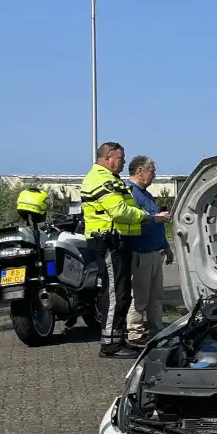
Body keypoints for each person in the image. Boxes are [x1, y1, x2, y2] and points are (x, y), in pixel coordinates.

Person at [80, 142, 169, 358]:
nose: (123, 163)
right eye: (120, 159)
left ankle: (118, 340)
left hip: (119, 241)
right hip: (109, 240)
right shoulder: (101, 179)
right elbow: (119, 210)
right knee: (114, 294)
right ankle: (110, 345)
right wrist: (148, 217)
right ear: (107, 158)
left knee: (121, 294)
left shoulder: (112, 179)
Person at [124, 155, 173, 347]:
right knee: (140, 295)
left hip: (155, 252)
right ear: (139, 171)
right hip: (141, 252)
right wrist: (156, 218)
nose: (154, 175)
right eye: (152, 171)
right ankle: (135, 331)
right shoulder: (130, 193)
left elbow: (156, 222)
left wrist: (166, 246)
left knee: (156, 295)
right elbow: (135, 218)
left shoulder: (147, 195)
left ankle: (156, 328)